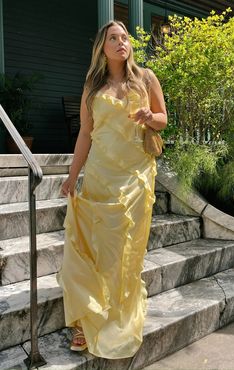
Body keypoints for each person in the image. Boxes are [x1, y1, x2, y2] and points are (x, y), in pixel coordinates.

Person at [57, 20, 167, 359]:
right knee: (86, 246)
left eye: (125, 38)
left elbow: (163, 118)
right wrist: (72, 174)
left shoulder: (145, 77)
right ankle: (84, 319)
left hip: (135, 177)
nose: (122, 43)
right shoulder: (92, 85)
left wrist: (150, 116)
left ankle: (112, 314)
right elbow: (85, 134)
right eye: (114, 38)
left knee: (122, 250)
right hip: (100, 175)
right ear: (102, 48)